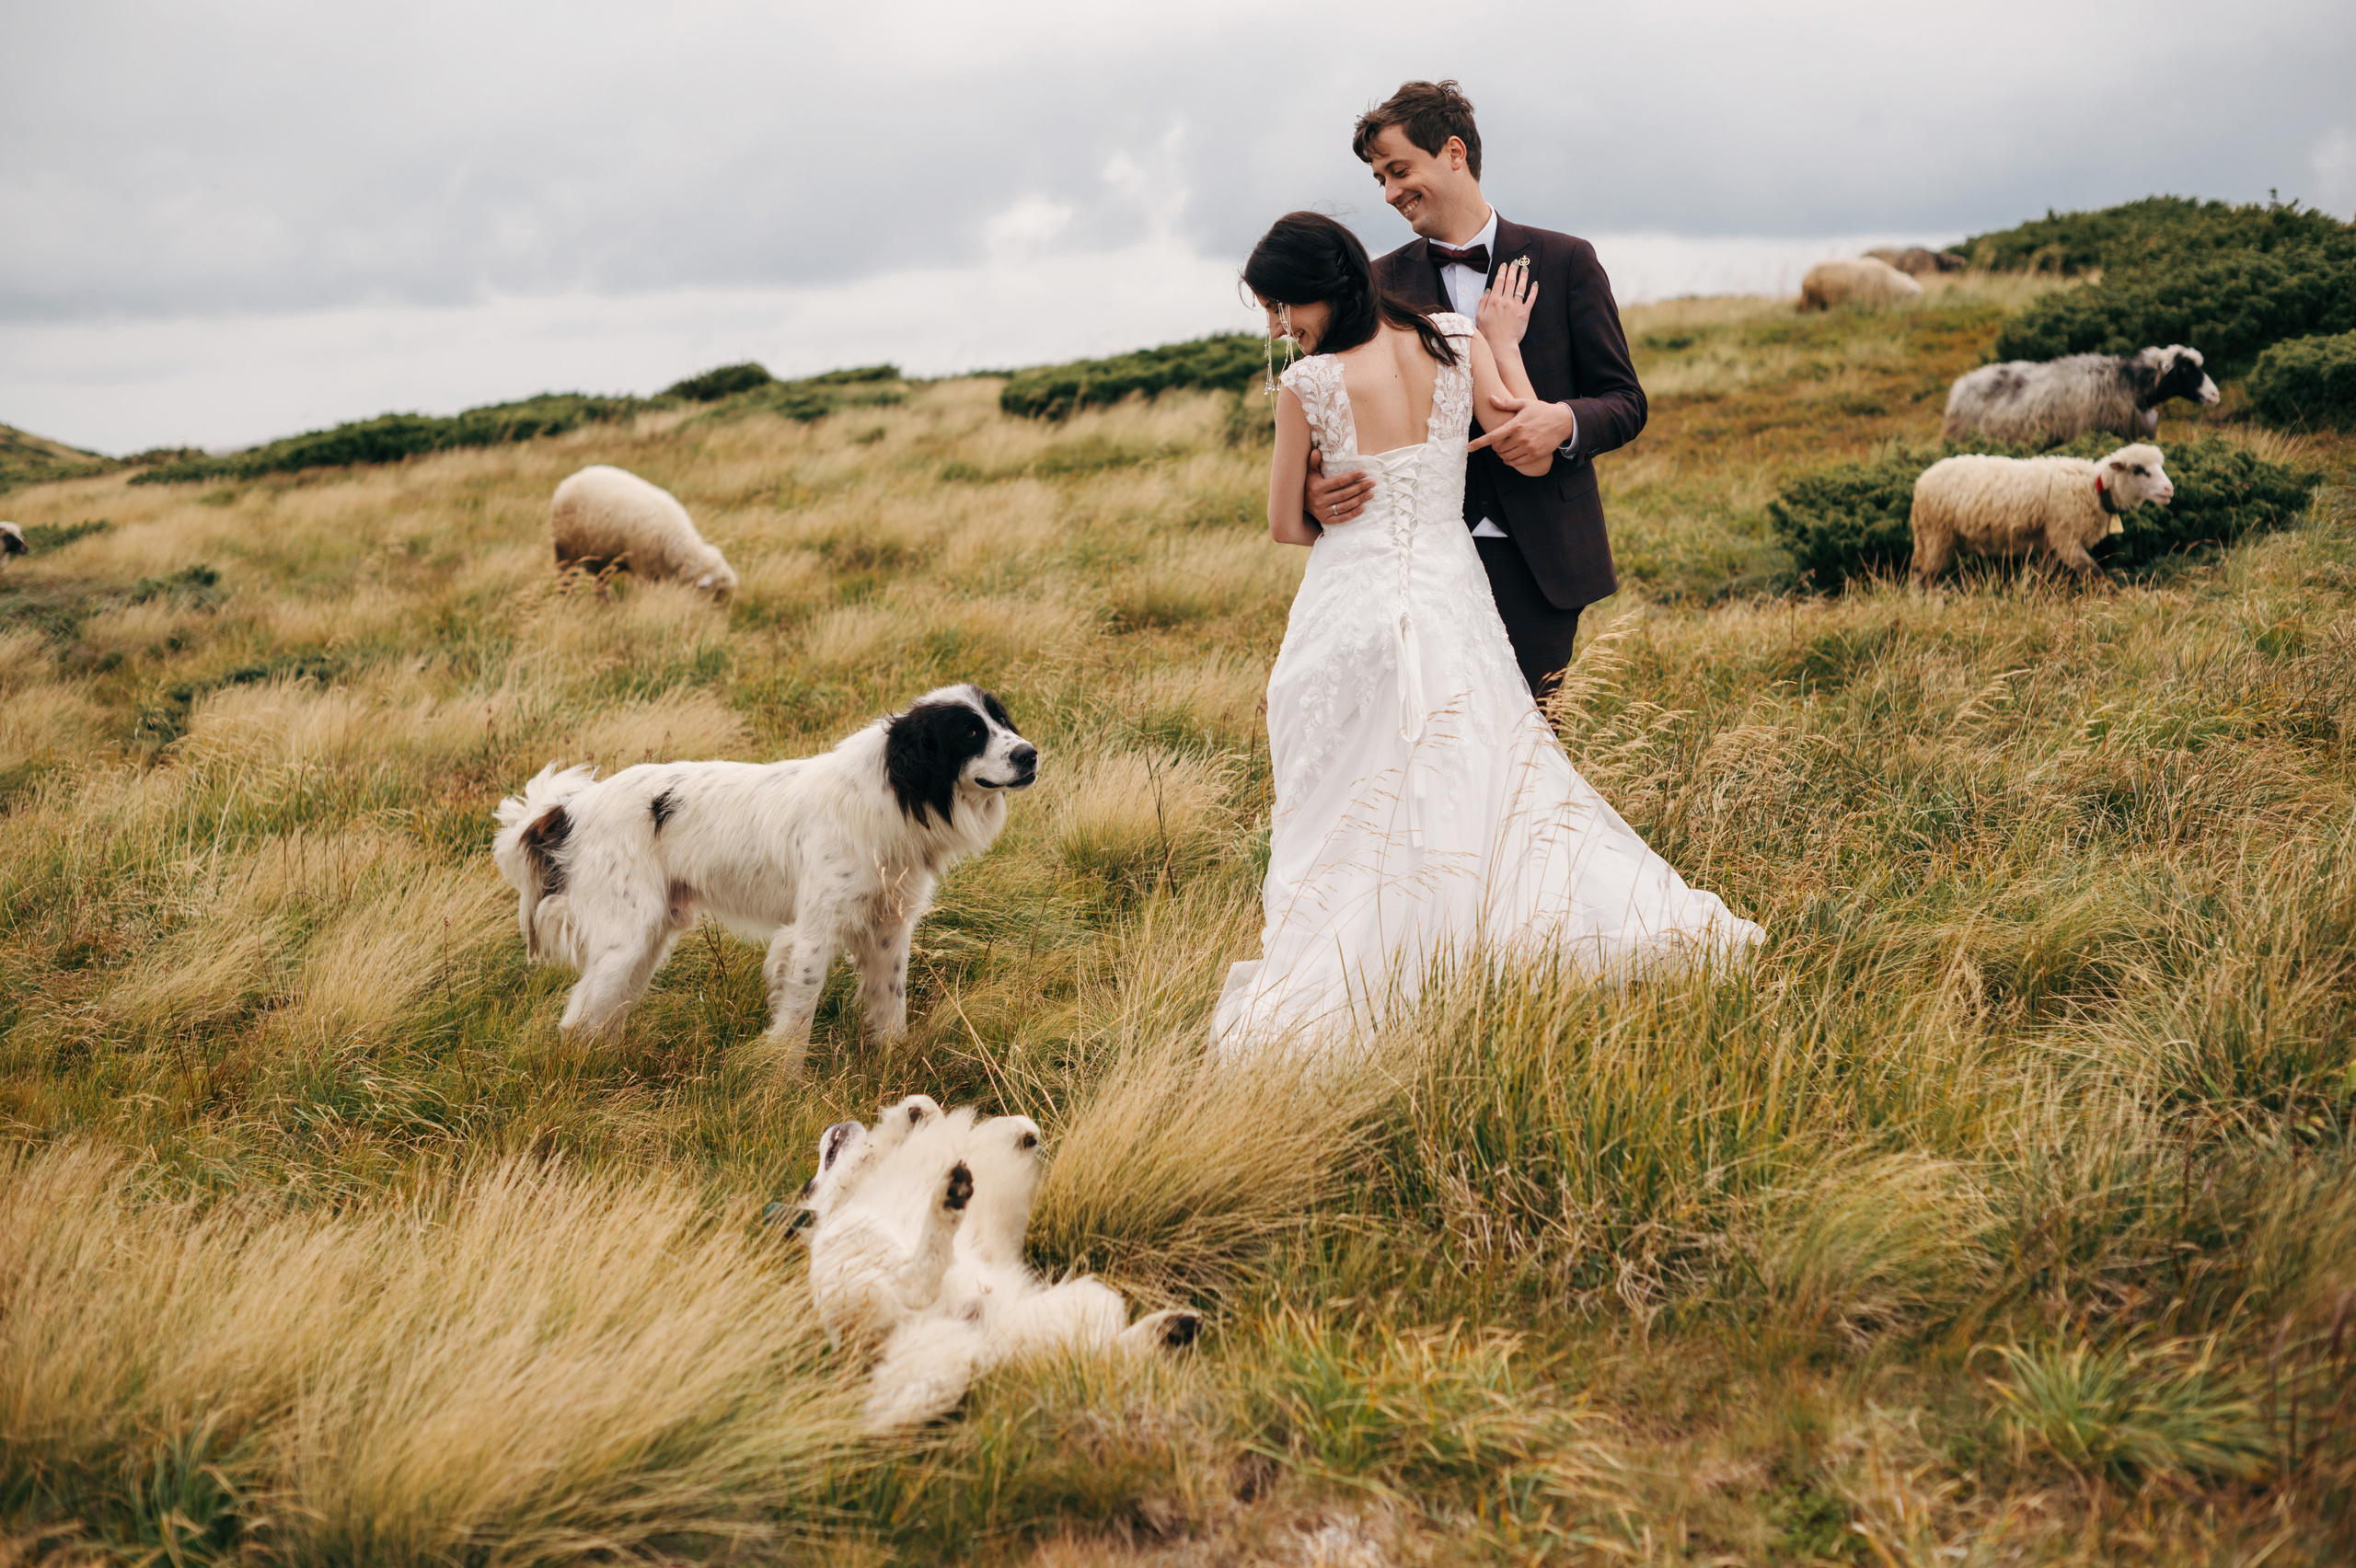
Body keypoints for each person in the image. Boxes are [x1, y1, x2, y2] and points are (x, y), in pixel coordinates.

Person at [1210, 213, 1760, 1055]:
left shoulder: (1308, 385)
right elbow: (1521, 437)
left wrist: (1321, 497)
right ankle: (1472, 933)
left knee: (1353, 786)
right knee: (1481, 763)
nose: (1280, 328)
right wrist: (1503, 343)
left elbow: (1287, 524)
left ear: (1324, 290)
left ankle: (1386, 955)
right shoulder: (1455, 342)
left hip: (1350, 605)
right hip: (1447, 589)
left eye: (1283, 308)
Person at [1304, 79, 1644, 704]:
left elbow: (1624, 401)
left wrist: (1562, 423)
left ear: (1454, 152)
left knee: (1534, 746)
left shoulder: (1567, 261)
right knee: (1433, 743)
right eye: (1379, 179)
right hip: (1420, 561)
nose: (1390, 193)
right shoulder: (1376, 287)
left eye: (1399, 170)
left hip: (1542, 558)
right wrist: (1315, 487)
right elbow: (1340, 414)